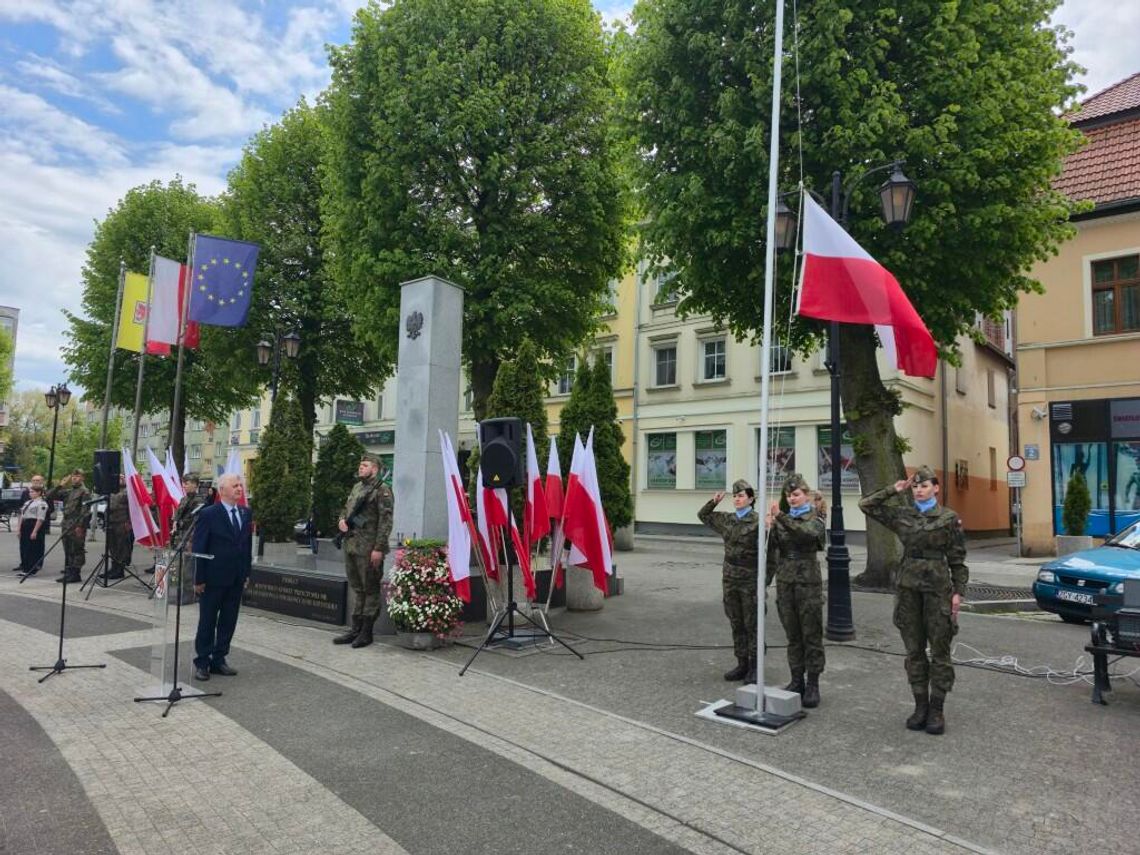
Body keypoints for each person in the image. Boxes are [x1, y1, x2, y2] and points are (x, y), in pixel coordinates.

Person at [859, 465, 968, 735]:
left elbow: (957, 558)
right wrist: (894, 489)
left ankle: (937, 709)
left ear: (936, 488)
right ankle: (920, 706)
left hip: (937, 590)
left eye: (924, 486)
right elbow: (866, 505)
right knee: (914, 650)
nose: (919, 490)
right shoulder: (903, 514)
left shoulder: (948, 518)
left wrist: (958, 592)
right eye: (916, 486)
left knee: (940, 651)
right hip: (908, 589)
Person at [766, 473, 826, 707]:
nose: (792, 498)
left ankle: (813, 684)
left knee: (811, 635)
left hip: (808, 583)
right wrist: (767, 529)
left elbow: (806, 535)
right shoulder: (781, 520)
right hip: (785, 581)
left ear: (806, 495)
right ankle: (796, 680)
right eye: (788, 495)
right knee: (792, 635)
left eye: (796, 494)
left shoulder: (816, 518)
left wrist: (780, 517)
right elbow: (772, 551)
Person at [699, 478, 761, 682]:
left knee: (752, 623)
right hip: (730, 578)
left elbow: (771, 553)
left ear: (751, 499)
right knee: (736, 621)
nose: (737, 499)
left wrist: (765, 579)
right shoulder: (727, 519)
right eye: (735, 496)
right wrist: (713, 501)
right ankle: (741, 663)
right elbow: (703, 516)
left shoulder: (759, 522)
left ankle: (755, 666)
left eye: (741, 496)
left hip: (750, 579)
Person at [191, 473, 252, 681]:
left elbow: (246, 546)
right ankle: (202, 662)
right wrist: (199, 579)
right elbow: (199, 547)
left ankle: (219, 659)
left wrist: (246, 574)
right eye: (234, 486)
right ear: (222, 490)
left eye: (240, 486)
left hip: (235, 578)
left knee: (228, 621)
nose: (239, 489)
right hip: (212, 578)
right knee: (207, 621)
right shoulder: (209, 514)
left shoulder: (245, 513)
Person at [332, 452, 394, 649]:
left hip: (368, 548)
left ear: (374, 469)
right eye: (361, 464)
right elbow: (346, 509)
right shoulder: (357, 487)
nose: (361, 467)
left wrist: (379, 548)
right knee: (358, 589)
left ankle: (367, 631)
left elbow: (386, 522)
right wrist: (341, 520)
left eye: (365, 465)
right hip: (351, 545)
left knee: (370, 589)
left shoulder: (382, 490)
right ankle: (355, 628)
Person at [46, 468, 91, 584]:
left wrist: (81, 526)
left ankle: (76, 573)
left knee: (77, 549)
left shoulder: (84, 492)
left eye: (78, 476)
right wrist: (60, 485)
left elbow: (85, 510)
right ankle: (69, 572)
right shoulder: (69, 491)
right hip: (66, 524)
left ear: (82, 478)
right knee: (67, 549)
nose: (75, 478)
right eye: (73, 476)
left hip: (76, 525)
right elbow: (49, 496)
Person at [104, 474, 132, 580]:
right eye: (119, 477)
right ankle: (113, 568)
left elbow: (132, 508)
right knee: (112, 546)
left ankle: (120, 570)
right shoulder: (112, 491)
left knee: (121, 547)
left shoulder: (128, 491)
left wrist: (129, 522)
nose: (121, 479)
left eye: (123, 477)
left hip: (122, 522)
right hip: (111, 522)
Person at [18, 485, 49, 576]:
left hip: (33, 524)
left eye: (32, 492)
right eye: (30, 492)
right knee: (23, 546)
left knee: (32, 548)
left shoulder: (42, 503)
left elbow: (40, 518)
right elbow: (21, 515)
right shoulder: (27, 502)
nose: (30, 493)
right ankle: (25, 567)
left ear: (39, 492)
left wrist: (35, 531)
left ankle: (31, 569)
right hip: (25, 525)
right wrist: (19, 529)